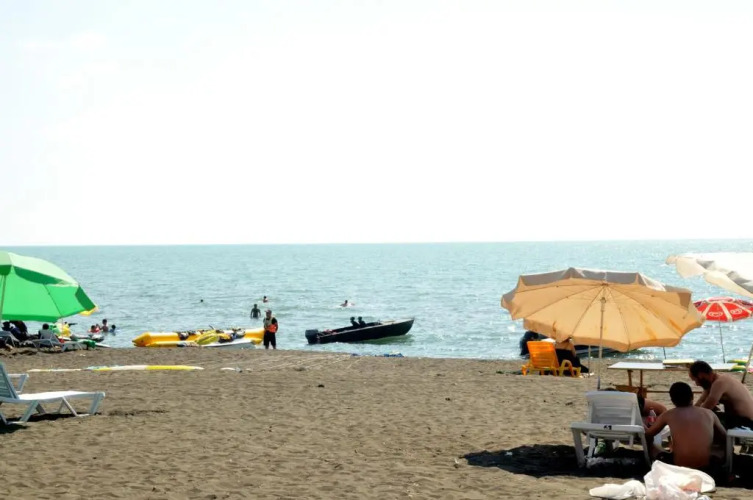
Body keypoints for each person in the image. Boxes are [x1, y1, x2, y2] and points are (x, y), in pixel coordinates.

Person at [646, 382, 726, 470]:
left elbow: (648, 435)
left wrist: (652, 450)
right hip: (705, 467)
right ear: (692, 396)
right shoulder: (709, 413)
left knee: (658, 449)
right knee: (719, 450)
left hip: (678, 466)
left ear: (672, 400)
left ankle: (649, 461)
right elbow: (725, 437)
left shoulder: (668, 414)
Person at [689, 360, 753, 429]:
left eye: (695, 380)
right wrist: (690, 412)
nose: (697, 384)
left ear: (701, 375)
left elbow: (706, 408)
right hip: (737, 418)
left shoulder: (719, 383)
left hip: (746, 422)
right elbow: (699, 403)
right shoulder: (712, 382)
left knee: (705, 419)